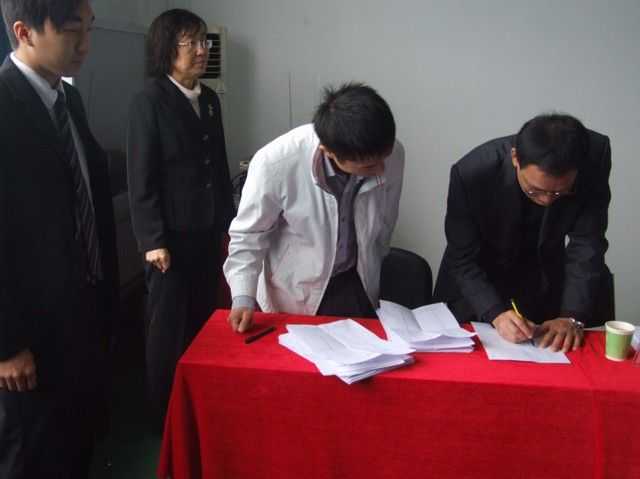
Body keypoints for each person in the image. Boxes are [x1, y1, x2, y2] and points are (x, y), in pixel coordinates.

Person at [0, 0, 119, 476]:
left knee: (77, 444)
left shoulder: (68, 99)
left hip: (81, 312)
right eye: (72, 31)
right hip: (29, 332)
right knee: (32, 456)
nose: (85, 44)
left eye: (89, 29)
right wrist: (7, 344)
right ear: (24, 32)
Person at [224, 82, 404, 333]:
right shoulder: (275, 163)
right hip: (295, 290)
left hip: (356, 282)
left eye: (383, 159)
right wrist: (243, 296)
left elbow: (386, 219)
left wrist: (376, 257)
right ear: (328, 151)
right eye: (368, 167)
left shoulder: (391, 153)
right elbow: (249, 236)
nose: (381, 170)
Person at [127, 8, 234, 429]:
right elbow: (141, 176)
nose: (202, 50)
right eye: (192, 43)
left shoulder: (209, 100)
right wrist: (152, 240)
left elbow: (218, 167)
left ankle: (198, 406)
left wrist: (228, 225)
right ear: (167, 49)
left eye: (204, 41)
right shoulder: (149, 101)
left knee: (204, 320)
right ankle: (164, 417)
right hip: (168, 240)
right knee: (166, 331)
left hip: (206, 232)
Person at [433, 114, 613, 352]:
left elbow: (587, 243)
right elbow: (462, 258)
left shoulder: (594, 157)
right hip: (477, 282)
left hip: (544, 277)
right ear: (515, 158)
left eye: (559, 193)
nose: (547, 200)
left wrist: (571, 315)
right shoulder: (473, 172)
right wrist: (495, 312)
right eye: (535, 190)